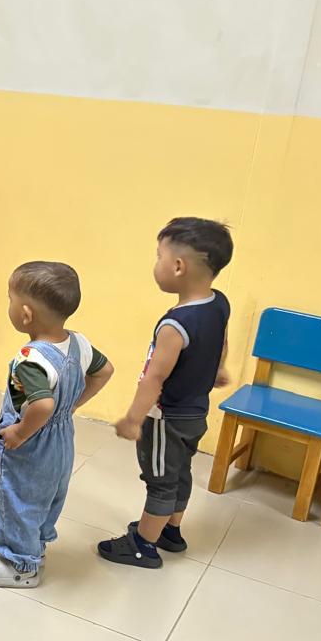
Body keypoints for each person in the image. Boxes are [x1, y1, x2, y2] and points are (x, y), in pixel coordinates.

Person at [99, 218, 233, 569]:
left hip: (166, 418)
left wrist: (134, 419)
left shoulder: (175, 325)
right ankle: (170, 530)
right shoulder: (219, 303)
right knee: (180, 470)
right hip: (195, 412)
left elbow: (154, 378)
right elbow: (222, 340)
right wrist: (218, 368)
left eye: (159, 256)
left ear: (178, 267)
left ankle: (143, 545)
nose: (156, 263)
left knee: (160, 480)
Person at [0, 262, 114, 588]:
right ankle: (34, 547)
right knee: (45, 494)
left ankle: (19, 564)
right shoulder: (79, 344)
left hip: (31, 443)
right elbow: (105, 370)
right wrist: (73, 405)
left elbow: (41, 405)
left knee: (16, 497)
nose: (8, 304)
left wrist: (20, 431)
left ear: (26, 314)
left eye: (10, 298)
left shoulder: (30, 359)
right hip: (61, 439)